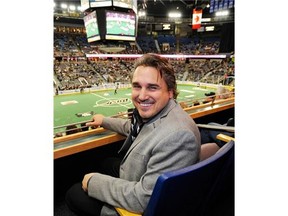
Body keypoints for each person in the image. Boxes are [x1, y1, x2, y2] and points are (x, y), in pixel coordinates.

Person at [65, 53, 201, 216]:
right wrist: (104, 121)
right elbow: (136, 128)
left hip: (141, 201)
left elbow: (143, 199)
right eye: (137, 86)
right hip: (138, 174)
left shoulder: (178, 136)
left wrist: (94, 182)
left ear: (170, 91)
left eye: (152, 87)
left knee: (73, 194)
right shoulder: (164, 112)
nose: (142, 96)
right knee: (104, 162)